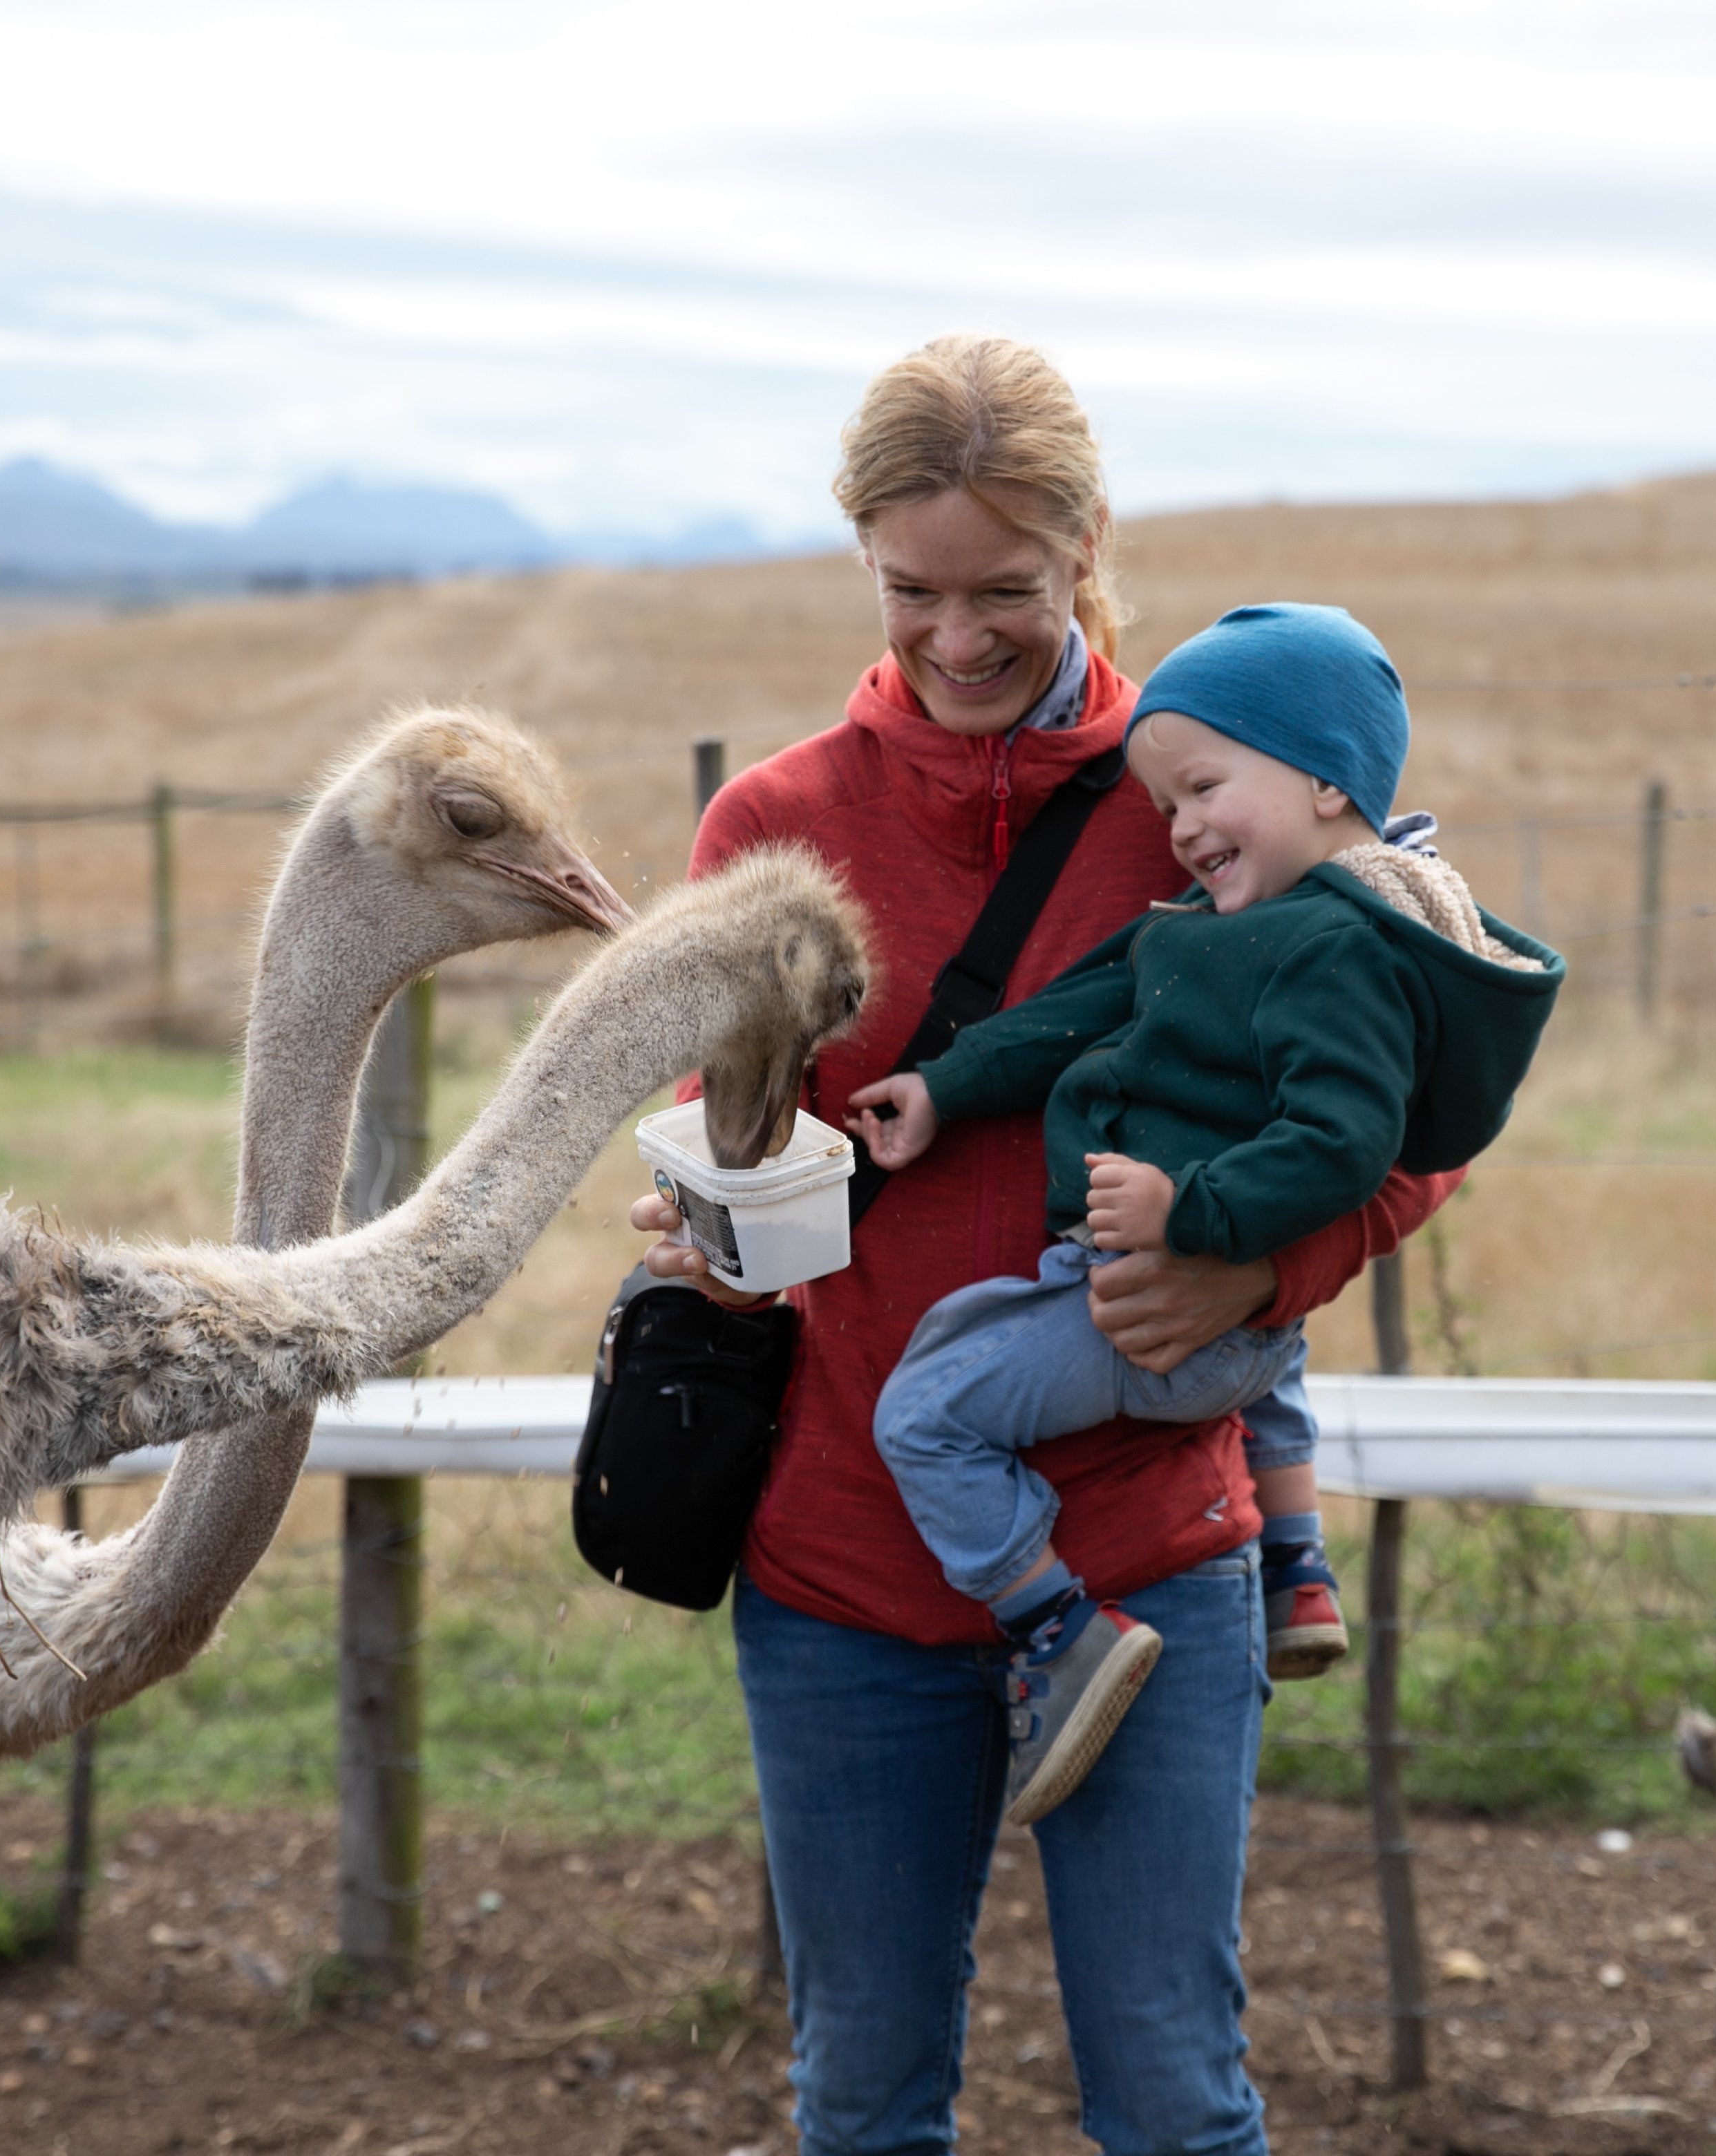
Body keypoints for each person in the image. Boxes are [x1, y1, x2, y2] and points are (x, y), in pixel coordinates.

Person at [625, 334, 1460, 2156]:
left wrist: (1256, 1276)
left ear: (1086, 552)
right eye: (906, 590)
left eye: (1002, 590)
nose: (952, 638)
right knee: (860, 2100)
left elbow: (1421, 1132)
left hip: (1152, 1554)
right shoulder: (770, 827)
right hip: (841, 1564)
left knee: (1169, 2101)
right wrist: (705, 1225)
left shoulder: (1214, 793)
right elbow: (730, 1131)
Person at [849, 603, 1561, 1830]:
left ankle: (1054, 1628)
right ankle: (1296, 1568)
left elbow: (1346, 1142)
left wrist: (1193, 1214)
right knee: (1266, 1367)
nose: (1178, 832)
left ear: (1330, 781)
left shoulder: (1337, 951)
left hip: (1164, 1315)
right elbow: (1083, 1008)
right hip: (1248, 1336)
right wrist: (945, 1087)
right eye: (1164, 808)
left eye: (1202, 790)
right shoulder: (1231, 931)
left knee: (924, 1409)